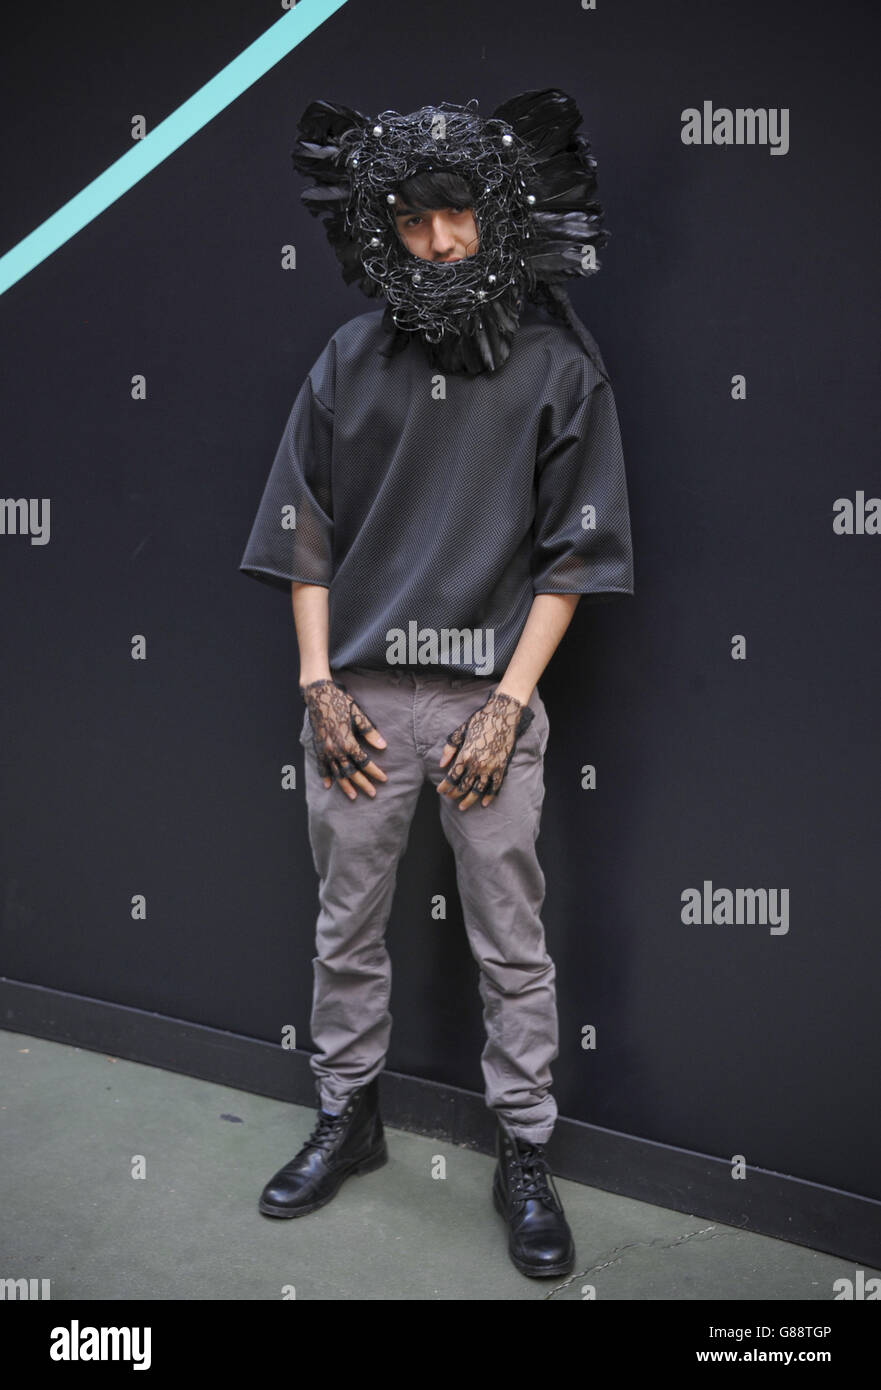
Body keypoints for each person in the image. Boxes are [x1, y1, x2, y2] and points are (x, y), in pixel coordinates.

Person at [239, 88, 634, 1279]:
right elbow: (303, 530)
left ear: (494, 212)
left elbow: (575, 554)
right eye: (412, 222)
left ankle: (523, 1149)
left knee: (510, 938)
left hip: (483, 698)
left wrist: (507, 702)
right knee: (343, 925)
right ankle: (348, 1115)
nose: (439, 243)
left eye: (455, 215)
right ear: (381, 226)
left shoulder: (561, 368)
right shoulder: (346, 361)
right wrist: (316, 683)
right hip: (355, 698)